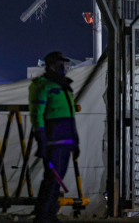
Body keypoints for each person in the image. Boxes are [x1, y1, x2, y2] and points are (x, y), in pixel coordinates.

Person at [29, 51, 80, 223]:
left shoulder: (63, 86)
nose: (64, 67)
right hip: (53, 140)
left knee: (56, 180)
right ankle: (43, 215)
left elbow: (70, 115)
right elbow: (37, 114)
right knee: (52, 179)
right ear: (52, 65)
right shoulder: (42, 85)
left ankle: (48, 214)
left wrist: (75, 141)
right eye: (61, 64)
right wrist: (41, 139)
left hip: (65, 140)